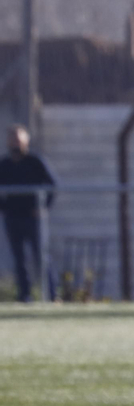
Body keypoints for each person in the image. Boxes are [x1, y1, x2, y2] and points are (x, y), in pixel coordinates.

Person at [0, 124, 56, 303]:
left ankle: (52, 296)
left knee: (41, 257)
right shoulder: (4, 165)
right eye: (12, 139)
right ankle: (25, 296)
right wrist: (4, 208)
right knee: (19, 259)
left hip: (34, 218)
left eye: (18, 138)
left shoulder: (35, 161)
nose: (15, 143)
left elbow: (52, 184)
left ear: (26, 141)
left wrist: (43, 207)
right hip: (13, 218)